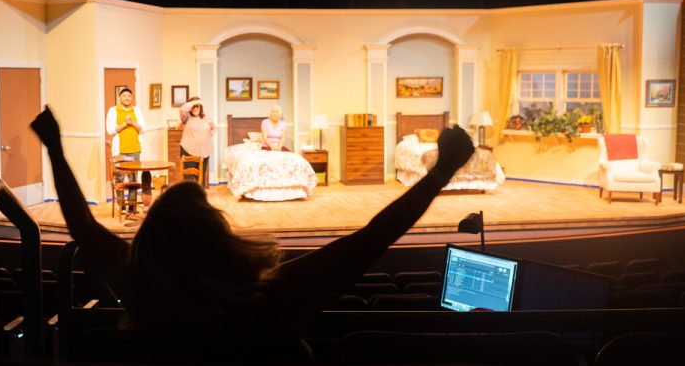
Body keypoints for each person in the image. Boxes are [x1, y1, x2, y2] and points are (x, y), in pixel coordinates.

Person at [31, 105, 474, 338]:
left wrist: (53, 145)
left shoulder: (137, 284)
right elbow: (368, 241)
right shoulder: (272, 294)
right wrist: (440, 171)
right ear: (218, 233)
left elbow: (81, 225)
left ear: (152, 240)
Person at [105, 87, 150, 211]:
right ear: (120, 97)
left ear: (131, 98)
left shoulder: (137, 111)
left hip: (135, 149)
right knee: (119, 178)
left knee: (133, 179)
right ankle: (121, 205)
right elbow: (110, 130)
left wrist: (132, 123)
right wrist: (125, 123)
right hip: (120, 151)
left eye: (129, 96)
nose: (127, 98)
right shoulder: (113, 111)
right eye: (124, 95)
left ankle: (132, 206)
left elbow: (143, 129)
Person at [179, 96, 215, 187]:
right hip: (188, 152)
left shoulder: (206, 118)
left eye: (197, 106)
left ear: (200, 107)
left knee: (200, 181)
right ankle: (189, 200)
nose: (195, 108)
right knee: (189, 180)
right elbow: (182, 109)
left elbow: (214, 128)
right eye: (193, 106)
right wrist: (196, 102)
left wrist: (209, 135)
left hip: (204, 154)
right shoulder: (186, 117)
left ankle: (199, 200)